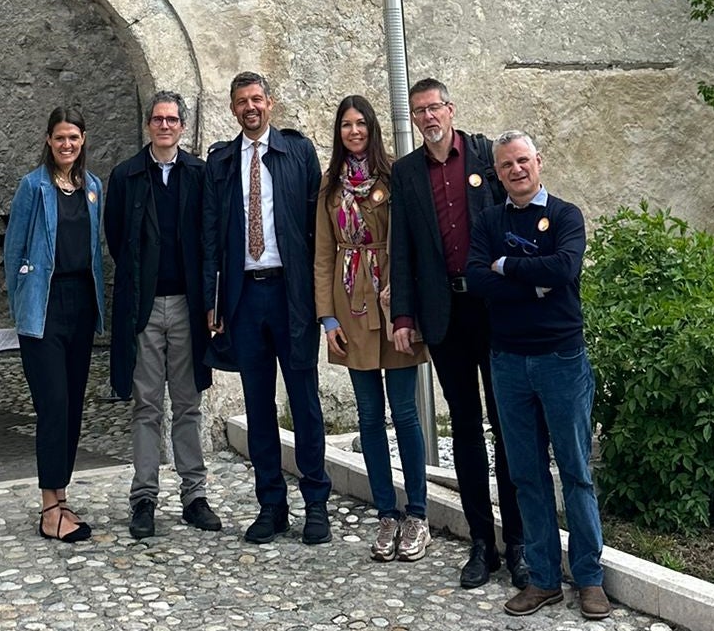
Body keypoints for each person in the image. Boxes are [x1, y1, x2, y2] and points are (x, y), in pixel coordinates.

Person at [387, 78, 526, 589]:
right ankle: (481, 544)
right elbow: (400, 246)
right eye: (419, 111)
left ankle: (519, 544)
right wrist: (403, 316)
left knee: (506, 426)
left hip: (492, 309)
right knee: (464, 429)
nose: (428, 118)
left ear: (450, 109)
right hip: (443, 313)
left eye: (434, 108)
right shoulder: (406, 173)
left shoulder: (486, 157)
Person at [466, 131, 609, 620]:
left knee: (575, 470)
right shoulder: (488, 220)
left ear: (538, 162)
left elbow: (566, 268)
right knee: (525, 473)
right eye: (506, 165)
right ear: (498, 172)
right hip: (507, 361)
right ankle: (544, 579)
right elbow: (477, 279)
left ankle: (589, 579)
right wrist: (533, 281)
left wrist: (509, 267)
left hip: (561, 360)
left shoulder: (566, 216)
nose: (516, 171)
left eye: (523, 161)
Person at [202, 71, 332, 544]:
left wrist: (322, 298)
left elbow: (319, 230)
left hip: (291, 295)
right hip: (244, 297)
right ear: (233, 109)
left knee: (305, 402)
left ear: (270, 103)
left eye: (257, 99)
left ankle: (316, 505)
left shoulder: (298, 153)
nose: (250, 107)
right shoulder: (221, 161)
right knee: (258, 406)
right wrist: (210, 301)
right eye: (241, 101)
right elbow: (210, 234)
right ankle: (270, 505)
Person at [313, 94, 432, 562]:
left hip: (392, 301)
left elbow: (410, 242)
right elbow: (323, 256)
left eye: (361, 123)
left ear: (374, 128)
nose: (354, 131)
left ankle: (417, 514)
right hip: (351, 305)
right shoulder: (329, 187)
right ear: (338, 132)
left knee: (404, 411)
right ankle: (386, 513)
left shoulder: (395, 177)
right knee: (367, 416)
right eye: (346, 125)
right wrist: (327, 318)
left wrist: (405, 296)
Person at [104, 91, 222, 539]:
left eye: (172, 120)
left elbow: (210, 235)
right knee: (147, 405)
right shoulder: (127, 176)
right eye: (158, 119)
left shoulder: (200, 174)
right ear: (148, 125)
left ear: (183, 127)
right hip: (146, 307)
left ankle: (194, 495)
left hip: (190, 306)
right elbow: (118, 240)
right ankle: (144, 498)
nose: (165, 126)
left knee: (189, 404)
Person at [4, 106, 105, 543]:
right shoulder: (33, 187)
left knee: (74, 407)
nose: (67, 145)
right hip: (43, 306)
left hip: (81, 304)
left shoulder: (92, 187)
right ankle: (49, 508)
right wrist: (21, 304)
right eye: (60, 138)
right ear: (48, 140)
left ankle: (62, 497)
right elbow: (14, 252)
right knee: (53, 407)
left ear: (83, 141)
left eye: (74, 139)